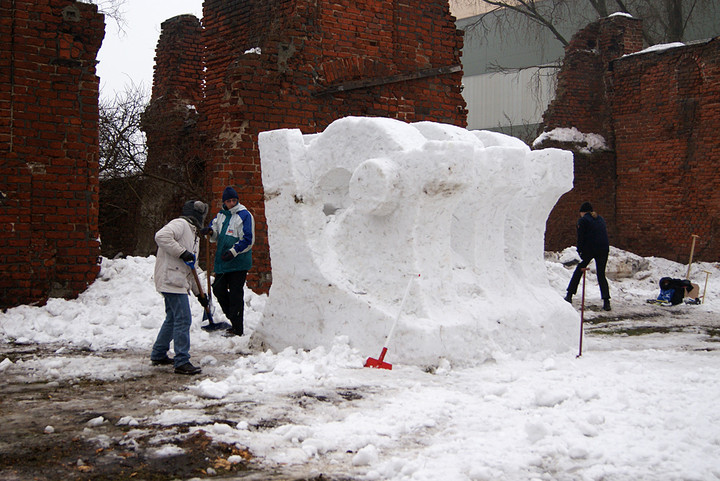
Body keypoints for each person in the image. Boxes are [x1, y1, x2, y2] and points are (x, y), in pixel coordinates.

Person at [150, 200, 210, 375]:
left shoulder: (194, 236)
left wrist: (200, 294)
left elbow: (191, 268)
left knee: (172, 318)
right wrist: (181, 252)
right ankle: (182, 360)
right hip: (170, 279)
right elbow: (161, 236)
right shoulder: (180, 224)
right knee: (183, 319)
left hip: (177, 280)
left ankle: (159, 353)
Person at [202, 186, 255, 336]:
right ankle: (233, 317)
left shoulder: (244, 215)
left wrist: (233, 251)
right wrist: (210, 232)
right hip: (223, 261)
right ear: (224, 202)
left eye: (234, 200)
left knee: (236, 293)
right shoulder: (221, 215)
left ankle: (237, 328)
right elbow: (215, 232)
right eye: (229, 201)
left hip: (239, 262)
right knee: (218, 288)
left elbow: (248, 239)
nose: (232, 203)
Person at [565, 201, 611, 311]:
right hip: (603, 249)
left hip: (590, 249)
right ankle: (606, 301)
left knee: (578, 271)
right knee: (601, 274)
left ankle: (569, 295)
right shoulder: (600, 218)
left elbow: (581, 237)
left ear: (582, 212)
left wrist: (579, 251)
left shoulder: (583, 220)